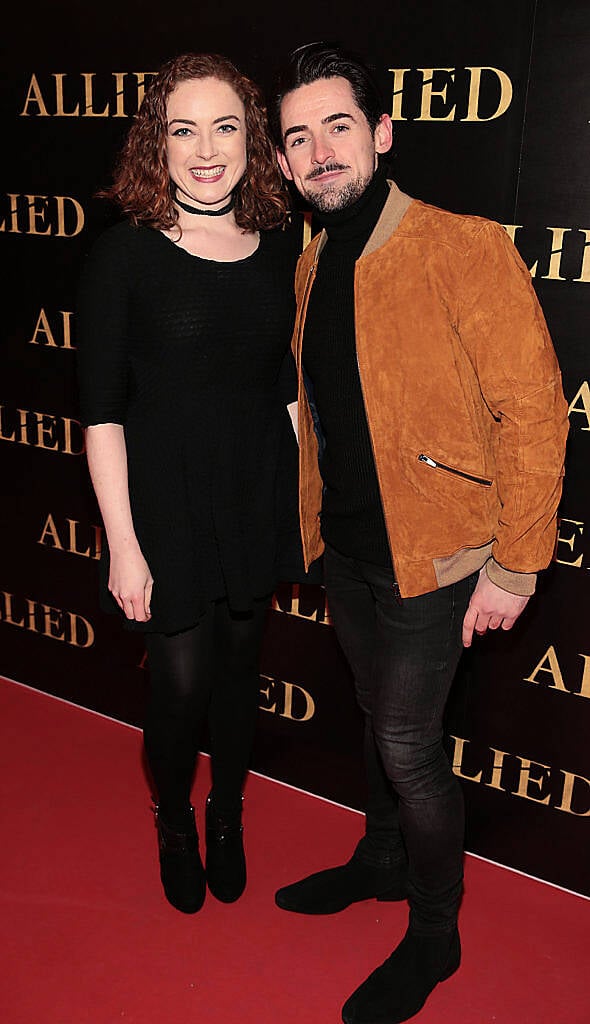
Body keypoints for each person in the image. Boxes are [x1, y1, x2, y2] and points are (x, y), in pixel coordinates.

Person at [270, 42, 569, 1024]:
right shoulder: (312, 262)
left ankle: (435, 932)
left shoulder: (459, 245)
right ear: (280, 161)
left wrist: (515, 570)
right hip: (351, 551)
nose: (318, 153)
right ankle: (380, 860)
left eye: (337, 128)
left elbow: (531, 412)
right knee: (375, 721)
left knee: (406, 744)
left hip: (437, 557)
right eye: (297, 137)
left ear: (382, 134)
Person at [76, 52, 305, 915]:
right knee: (178, 687)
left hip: (254, 492)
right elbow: (102, 416)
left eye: (225, 127)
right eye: (183, 129)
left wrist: (298, 506)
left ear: (253, 141)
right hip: (164, 502)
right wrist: (123, 548)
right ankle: (175, 817)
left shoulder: (282, 246)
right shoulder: (124, 258)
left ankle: (229, 816)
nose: (205, 149)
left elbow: (284, 389)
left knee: (241, 674)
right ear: (156, 144)